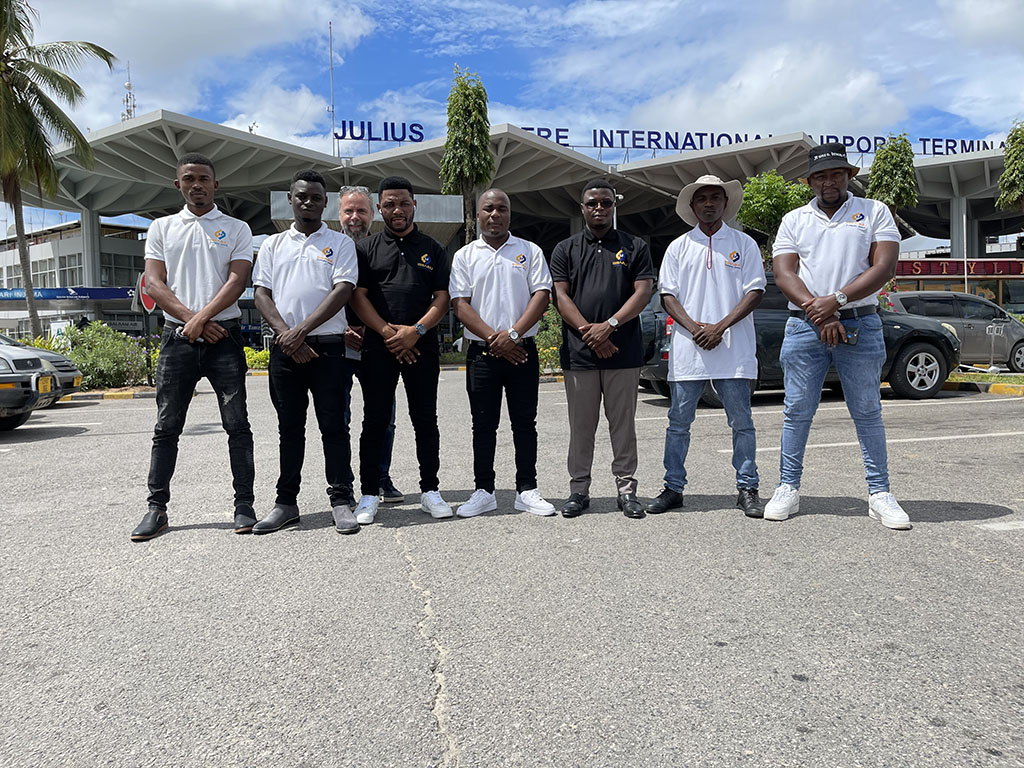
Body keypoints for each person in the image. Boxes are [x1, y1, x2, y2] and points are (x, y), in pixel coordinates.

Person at [767, 142, 910, 530]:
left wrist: (838, 300)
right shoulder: (794, 219)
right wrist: (820, 311)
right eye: (819, 176)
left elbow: (884, 267)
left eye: (835, 174)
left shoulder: (874, 211)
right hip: (804, 325)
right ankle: (788, 487)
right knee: (797, 411)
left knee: (867, 410)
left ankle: (879, 494)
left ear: (848, 176)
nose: (828, 182)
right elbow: (784, 273)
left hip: (860, 323)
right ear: (809, 181)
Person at [131, 152, 255, 541]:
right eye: (189, 179)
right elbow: (154, 283)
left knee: (237, 425)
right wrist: (194, 322)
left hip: (225, 337)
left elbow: (237, 281)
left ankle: (244, 506)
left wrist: (202, 321)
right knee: (166, 426)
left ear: (215, 185)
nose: (196, 185)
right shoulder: (162, 228)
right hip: (177, 339)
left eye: (203, 178)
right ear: (178, 185)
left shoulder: (236, 228)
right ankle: (156, 509)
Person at [646, 175, 766, 517]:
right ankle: (673, 488)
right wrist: (696, 329)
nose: (709, 203)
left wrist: (719, 327)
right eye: (702, 198)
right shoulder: (679, 247)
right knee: (678, 423)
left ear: (725, 204)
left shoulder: (743, 244)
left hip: (733, 349)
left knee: (741, 422)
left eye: (716, 197)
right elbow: (667, 295)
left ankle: (747, 488)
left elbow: (755, 291)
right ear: (693, 206)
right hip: (689, 351)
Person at [250, 170, 359, 535]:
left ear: (325, 202)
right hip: (286, 353)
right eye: (301, 196)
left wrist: (301, 331)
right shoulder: (273, 245)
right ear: (290, 200)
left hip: (328, 351)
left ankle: (341, 499)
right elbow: (261, 293)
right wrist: (288, 336)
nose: (308, 202)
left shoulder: (340, 244)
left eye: (315, 197)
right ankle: (286, 503)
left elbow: (342, 290)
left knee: (334, 426)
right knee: (289, 428)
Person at [349, 176, 453, 524]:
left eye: (404, 203)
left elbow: (442, 297)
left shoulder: (433, 248)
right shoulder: (366, 249)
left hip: (422, 346)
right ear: (379, 208)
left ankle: (430, 490)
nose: (398, 210)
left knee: (425, 419)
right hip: (378, 348)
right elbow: (358, 297)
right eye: (390, 204)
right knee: (375, 420)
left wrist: (415, 331)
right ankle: (368, 493)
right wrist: (389, 334)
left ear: (414, 205)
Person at [550, 178, 655, 519]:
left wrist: (609, 326)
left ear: (613, 207)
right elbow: (560, 296)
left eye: (606, 203)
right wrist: (589, 332)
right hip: (579, 355)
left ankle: (627, 491)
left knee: (622, 426)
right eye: (592, 203)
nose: (599, 208)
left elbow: (643, 292)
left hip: (623, 354)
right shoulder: (566, 249)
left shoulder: (634, 246)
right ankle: (579, 491)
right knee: (581, 428)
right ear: (582, 208)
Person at [449, 189, 556, 518]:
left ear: (510, 214)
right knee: (483, 425)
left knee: (525, 423)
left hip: (522, 351)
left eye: (502, 209)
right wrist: (495, 340)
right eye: (488, 208)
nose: (495, 214)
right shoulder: (465, 255)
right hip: (482, 355)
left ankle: (527, 489)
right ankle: (484, 491)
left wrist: (512, 335)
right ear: (478, 214)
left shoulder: (529, 251)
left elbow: (542, 295)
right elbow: (460, 304)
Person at [338, 185, 403, 504]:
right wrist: (341, 329)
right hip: (337, 346)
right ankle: (345, 484)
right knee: (339, 419)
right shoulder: (331, 247)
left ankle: (380, 477)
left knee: (384, 418)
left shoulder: (381, 249)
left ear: (372, 213)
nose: (355, 217)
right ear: (338, 214)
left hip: (377, 344)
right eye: (349, 211)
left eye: (361, 211)